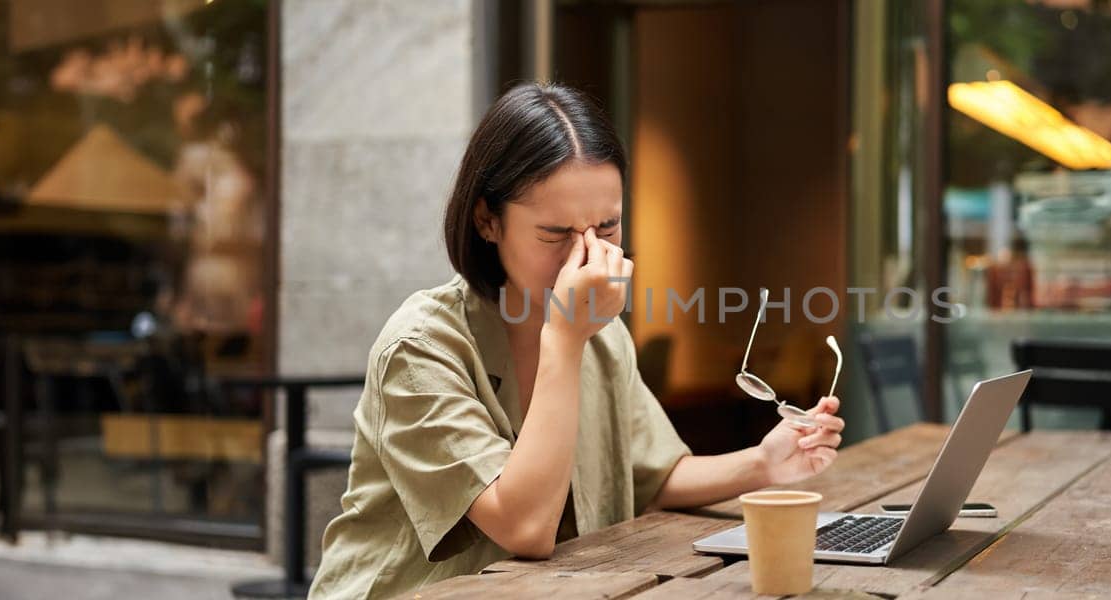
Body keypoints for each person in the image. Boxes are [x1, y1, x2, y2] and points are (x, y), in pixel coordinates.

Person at [309, 82, 845, 599]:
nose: (585, 258)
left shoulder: (602, 336)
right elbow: (523, 527)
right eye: (555, 234)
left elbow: (652, 472)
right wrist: (563, 340)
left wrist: (763, 464)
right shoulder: (421, 347)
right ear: (486, 221)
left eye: (607, 228)